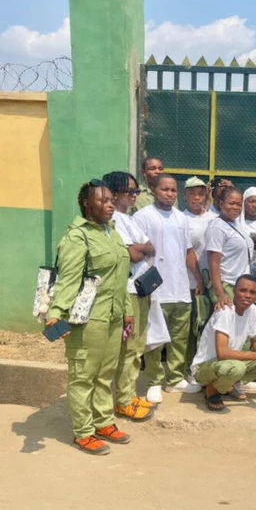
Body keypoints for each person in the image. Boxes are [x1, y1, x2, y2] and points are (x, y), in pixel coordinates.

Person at [45, 180, 134, 455]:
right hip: (88, 319)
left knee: (105, 373)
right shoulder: (78, 237)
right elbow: (68, 279)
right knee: (83, 375)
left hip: (113, 316)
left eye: (111, 200)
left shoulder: (112, 232)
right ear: (87, 204)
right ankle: (83, 432)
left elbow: (120, 278)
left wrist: (127, 310)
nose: (110, 205)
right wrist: (56, 314)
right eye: (103, 200)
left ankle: (103, 422)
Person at [133, 174, 205, 403]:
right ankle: (154, 381)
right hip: (155, 288)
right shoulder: (142, 216)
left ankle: (174, 378)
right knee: (154, 339)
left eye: (173, 190)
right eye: (165, 189)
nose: (169, 194)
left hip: (180, 287)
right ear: (154, 190)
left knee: (179, 338)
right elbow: (135, 250)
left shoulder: (181, 218)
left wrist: (198, 278)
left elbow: (188, 251)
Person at [101, 171, 155, 423]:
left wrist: (139, 248)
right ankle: (123, 400)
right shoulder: (113, 221)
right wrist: (139, 249)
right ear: (114, 193)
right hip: (129, 291)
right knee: (130, 347)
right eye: (129, 191)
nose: (134, 195)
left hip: (142, 288)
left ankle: (129, 394)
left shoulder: (130, 219)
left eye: (136, 191)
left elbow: (150, 247)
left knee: (138, 345)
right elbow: (131, 255)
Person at [192, 275, 256, 412]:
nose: (247, 295)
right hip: (205, 367)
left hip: (228, 363)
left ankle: (228, 384)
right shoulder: (225, 311)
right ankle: (212, 389)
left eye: (252, 292)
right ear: (234, 291)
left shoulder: (252, 310)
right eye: (243, 290)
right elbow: (222, 353)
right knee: (237, 368)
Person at [182, 176, 214, 369]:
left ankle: (206, 367)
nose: (196, 198)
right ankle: (189, 367)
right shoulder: (182, 219)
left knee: (209, 326)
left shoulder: (213, 219)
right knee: (192, 327)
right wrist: (199, 279)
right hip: (191, 283)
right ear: (185, 196)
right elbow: (188, 252)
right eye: (192, 194)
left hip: (212, 283)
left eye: (201, 194)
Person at [205, 186, 253, 309]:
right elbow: (213, 263)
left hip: (240, 285)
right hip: (227, 285)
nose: (236, 207)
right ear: (221, 203)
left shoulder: (236, 224)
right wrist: (220, 293)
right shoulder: (217, 227)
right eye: (232, 203)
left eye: (239, 204)